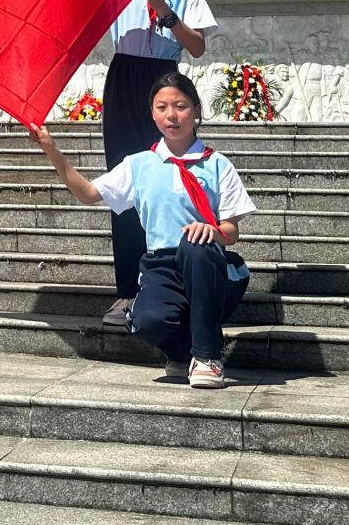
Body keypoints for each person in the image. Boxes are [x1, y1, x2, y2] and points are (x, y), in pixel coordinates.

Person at [29, 71, 254, 387]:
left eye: (181, 106)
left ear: (197, 111)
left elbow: (232, 231)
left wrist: (212, 231)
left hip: (209, 267)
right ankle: (181, 353)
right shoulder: (139, 164)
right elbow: (89, 194)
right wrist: (52, 151)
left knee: (195, 244)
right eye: (162, 107)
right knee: (146, 321)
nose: (171, 115)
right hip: (162, 267)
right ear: (152, 114)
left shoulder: (217, 164)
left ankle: (207, 356)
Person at [97, 0, 218, 326]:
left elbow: (198, 47)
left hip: (163, 81)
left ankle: (171, 281)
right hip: (123, 78)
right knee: (123, 182)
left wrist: (164, 10)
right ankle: (128, 290)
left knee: (165, 183)